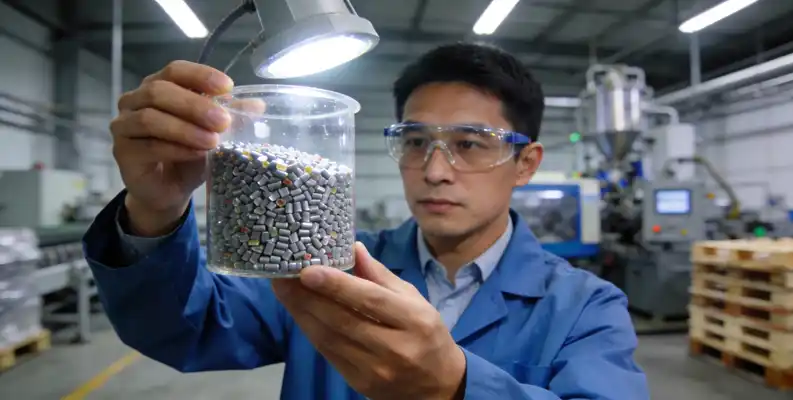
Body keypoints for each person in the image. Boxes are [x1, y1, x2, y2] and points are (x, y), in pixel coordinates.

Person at [84, 43, 649, 399]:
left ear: (525, 163)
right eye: (416, 141)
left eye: (470, 144)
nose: (435, 171)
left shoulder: (585, 307)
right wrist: (155, 210)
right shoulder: (328, 268)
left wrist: (456, 387)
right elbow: (186, 327)